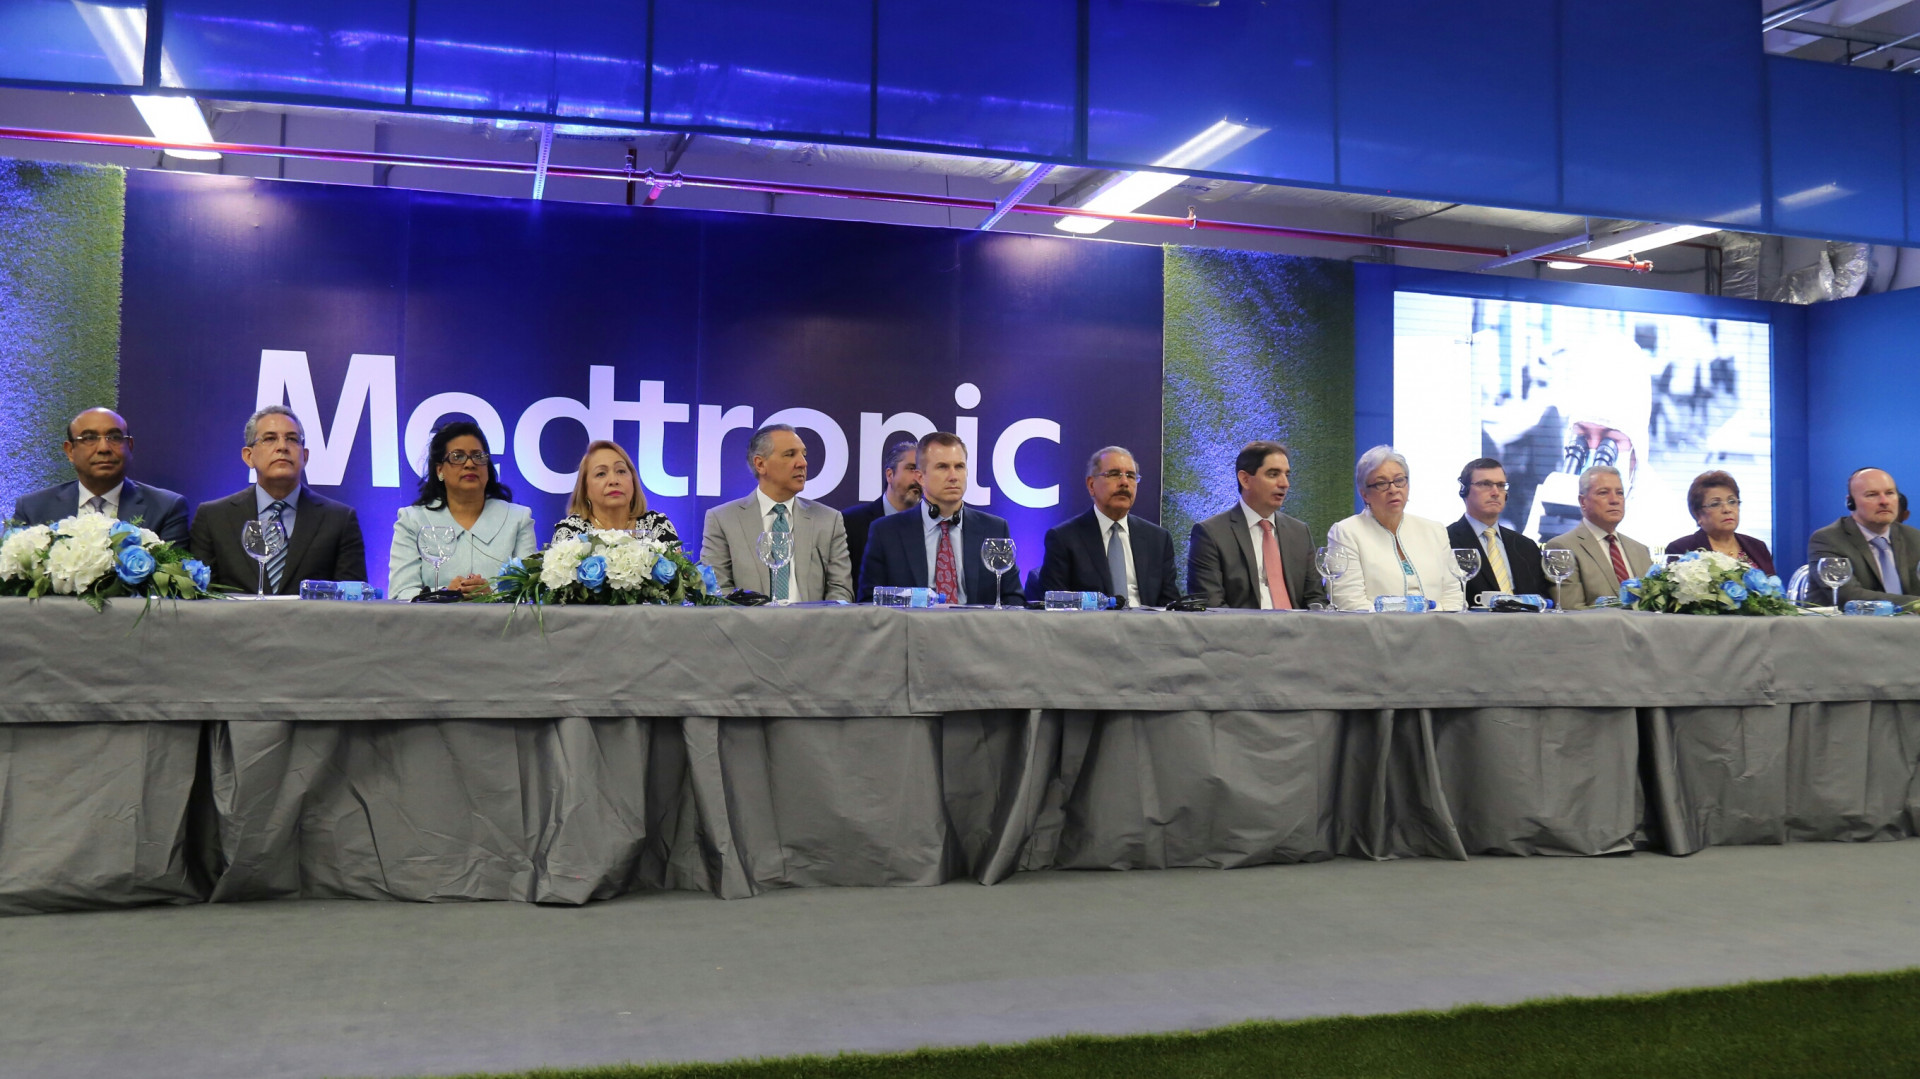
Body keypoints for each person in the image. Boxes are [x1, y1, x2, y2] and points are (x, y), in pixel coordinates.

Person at [188, 405, 368, 594]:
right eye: (270, 439)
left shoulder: (339, 520)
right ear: (248, 456)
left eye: (292, 439)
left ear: (305, 456)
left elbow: (354, 601)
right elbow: (201, 600)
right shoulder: (213, 518)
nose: (282, 447)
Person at [860, 431, 1024, 604]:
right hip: (913, 622)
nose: (953, 476)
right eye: (942, 467)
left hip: (977, 622)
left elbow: (1014, 600)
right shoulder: (886, 532)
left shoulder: (994, 528)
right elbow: (870, 602)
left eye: (959, 466)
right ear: (920, 477)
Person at [699, 424, 853, 602]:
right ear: (760, 464)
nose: (802, 463)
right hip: (749, 619)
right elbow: (717, 591)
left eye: (803, 454)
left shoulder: (828, 520)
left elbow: (841, 590)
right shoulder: (722, 520)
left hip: (812, 619)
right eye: (790, 454)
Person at [387, 421, 537, 601]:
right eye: (457, 457)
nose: (470, 464)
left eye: (478, 456)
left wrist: (492, 596)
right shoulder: (412, 520)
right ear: (440, 470)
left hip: (502, 620)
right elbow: (400, 594)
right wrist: (444, 594)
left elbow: (531, 594)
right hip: (434, 620)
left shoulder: (518, 519)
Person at [10, 407, 189, 544]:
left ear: (130, 447)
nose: (104, 448)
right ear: (70, 451)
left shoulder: (166, 508)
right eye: (89, 438)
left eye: (115, 437)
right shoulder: (32, 508)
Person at [1186, 440, 1327, 610]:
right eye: (1273, 474)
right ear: (1245, 479)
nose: (1285, 484)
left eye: (1287, 475)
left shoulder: (1299, 532)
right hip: (1241, 627)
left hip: (1298, 625)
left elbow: (1315, 598)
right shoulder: (1211, 533)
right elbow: (1212, 606)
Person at [1325, 446, 1465, 611]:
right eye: (1381, 483)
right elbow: (1349, 603)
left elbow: (1453, 596)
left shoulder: (1435, 530)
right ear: (1364, 494)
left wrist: (1437, 621)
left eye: (1399, 480)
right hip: (1376, 626)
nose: (1393, 489)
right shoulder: (1346, 532)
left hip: (1437, 625)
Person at [1039, 446, 1180, 607]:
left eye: (1131, 476)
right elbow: (1055, 605)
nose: (1124, 482)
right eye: (1114, 474)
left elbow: (1170, 605)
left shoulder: (1158, 539)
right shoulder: (1064, 538)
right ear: (1091, 485)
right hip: (1091, 623)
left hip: (1148, 622)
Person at [1542, 465, 1651, 610]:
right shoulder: (1561, 548)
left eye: (1619, 493)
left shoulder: (1641, 550)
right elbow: (1571, 610)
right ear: (1583, 502)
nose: (1615, 500)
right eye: (1603, 493)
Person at [1807, 467, 1920, 604]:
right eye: (1872, 495)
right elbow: (1848, 595)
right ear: (1851, 503)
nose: (1884, 501)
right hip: (1845, 618)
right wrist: (1914, 604)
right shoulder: (1828, 539)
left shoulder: (1914, 537)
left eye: (1890, 493)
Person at [1445, 457, 1549, 602]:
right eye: (1485, 484)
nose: (1495, 492)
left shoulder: (1526, 546)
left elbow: (1543, 597)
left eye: (1501, 485)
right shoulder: (1446, 541)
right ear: (1465, 490)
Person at [552, 440, 681, 547]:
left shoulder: (657, 526)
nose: (613, 481)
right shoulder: (570, 533)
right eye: (601, 474)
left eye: (621, 471)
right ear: (585, 489)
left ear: (633, 480)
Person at [1663, 470, 1774, 576]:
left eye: (1732, 502)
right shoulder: (1681, 549)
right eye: (1715, 504)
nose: (1727, 509)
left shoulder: (1758, 547)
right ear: (1698, 515)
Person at [841, 440, 920, 575]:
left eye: (923, 471)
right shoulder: (850, 522)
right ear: (890, 475)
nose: (918, 478)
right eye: (912, 469)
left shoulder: (932, 527)